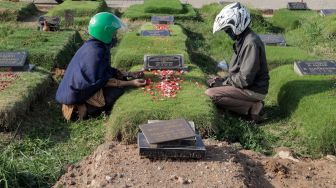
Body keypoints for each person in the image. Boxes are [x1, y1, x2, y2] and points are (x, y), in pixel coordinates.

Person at [56, 12, 146, 120]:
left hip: (73, 92)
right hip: (74, 105)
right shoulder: (96, 53)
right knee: (117, 91)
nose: (115, 35)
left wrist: (128, 73)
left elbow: (105, 71)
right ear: (106, 32)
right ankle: (88, 110)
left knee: (119, 78)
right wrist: (131, 83)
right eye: (114, 32)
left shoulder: (94, 45)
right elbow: (103, 80)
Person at [205, 2, 270, 122]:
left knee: (211, 93)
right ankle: (251, 105)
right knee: (212, 82)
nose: (227, 33)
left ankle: (253, 107)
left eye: (228, 30)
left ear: (237, 24)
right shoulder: (242, 39)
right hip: (247, 86)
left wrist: (224, 83)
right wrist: (223, 80)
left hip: (253, 90)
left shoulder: (250, 43)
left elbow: (245, 79)